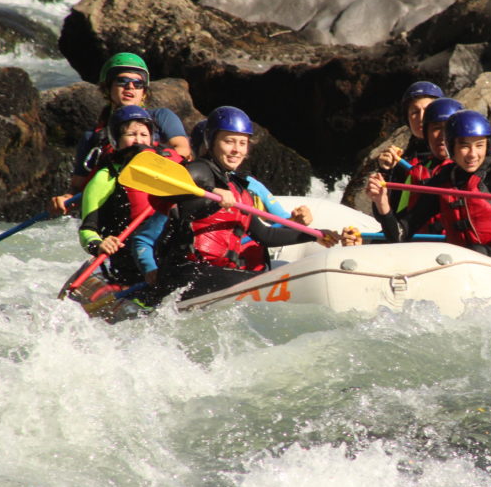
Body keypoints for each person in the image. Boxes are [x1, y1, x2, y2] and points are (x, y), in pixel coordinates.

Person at [137, 106, 339, 303]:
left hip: (216, 275)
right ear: (211, 140)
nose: (236, 150)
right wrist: (213, 191)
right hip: (188, 273)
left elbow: (265, 235)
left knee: (269, 278)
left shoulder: (240, 189)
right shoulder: (202, 169)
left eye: (242, 143)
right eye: (228, 141)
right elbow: (168, 184)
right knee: (268, 285)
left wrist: (314, 235)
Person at [367, 109, 491, 275]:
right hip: (464, 267)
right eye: (464, 146)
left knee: (472, 253)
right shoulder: (441, 182)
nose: (473, 154)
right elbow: (399, 235)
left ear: (487, 145)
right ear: (451, 146)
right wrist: (382, 203)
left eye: (479, 145)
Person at [49, 52, 191, 215]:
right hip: (113, 211)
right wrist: (65, 200)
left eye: (137, 84)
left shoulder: (160, 118)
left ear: (143, 92)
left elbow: (183, 150)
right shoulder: (93, 137)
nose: (130, 87)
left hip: (155, 205)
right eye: (122, 81)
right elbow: (78, 187)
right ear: (107, 88)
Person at [77, 105, 181, 287]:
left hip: (169, 254)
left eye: (143, 135)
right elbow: (87, 229)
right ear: (116, 140)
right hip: (129, 263)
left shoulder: (167, 170)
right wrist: (99, 244)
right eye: (131, 135)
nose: (138, 140)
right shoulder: (105, 177)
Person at [376, 81, 446, 216]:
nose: (421, 117)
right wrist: (385, 171)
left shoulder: (457, 154)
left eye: (427, 110)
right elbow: (383, 214)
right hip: (407, 231)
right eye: (415, 112)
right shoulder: (402, 160)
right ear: (408, 120)